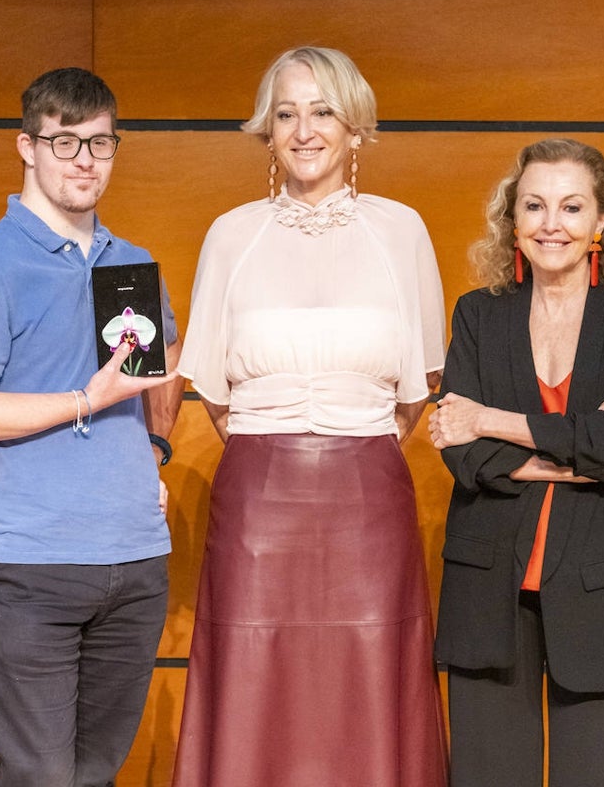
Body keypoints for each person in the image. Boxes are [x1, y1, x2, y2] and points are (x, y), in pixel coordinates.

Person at [172, 46, 449, 786]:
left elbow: (415, 393)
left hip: (370, 500)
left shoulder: (403, 231)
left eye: (322, 111)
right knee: (256, 684)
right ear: (267, 131)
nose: (304, 130)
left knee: (368, 684)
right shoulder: (231, 234)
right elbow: (216, 401)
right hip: (258, 497)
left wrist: (346, 440)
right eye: (286, 113)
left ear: (355, 128)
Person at [0, 67, 183, 787]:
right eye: (64, 142)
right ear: (27, 147)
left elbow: (162, 370)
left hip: (133, 558)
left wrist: (155, 453)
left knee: (97, 773)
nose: (83, 161)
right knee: (38, 776)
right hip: (30, 561)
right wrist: (86, 399)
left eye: (100, 144)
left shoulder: (133, 263)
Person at [429, 138, 604, 787]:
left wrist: (491, 421)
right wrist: (576, 446)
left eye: (571, 206)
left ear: (601, 223)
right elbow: (462, 452)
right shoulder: (479, 315)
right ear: (513, 218)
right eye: (534, 205)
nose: (551, 223)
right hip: (488, 586)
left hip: (603, 591)